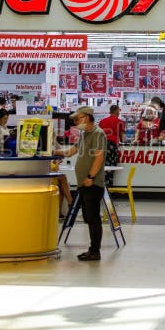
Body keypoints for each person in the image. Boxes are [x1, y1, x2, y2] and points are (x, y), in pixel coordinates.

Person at [55, 106, 106, 261]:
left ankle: (95, 251)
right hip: (83, 184)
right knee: (88, 218)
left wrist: (90, 176)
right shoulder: (85, 134)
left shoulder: (98, 134)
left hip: (92, 184)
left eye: (78, 118)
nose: (76, 121)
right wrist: (52, 151)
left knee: (93, 218)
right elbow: (71, 151)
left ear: (88, 117)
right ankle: (92, 249)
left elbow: (99, 157)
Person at [98, 104, 125, 187]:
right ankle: (109, 187)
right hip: (112, 145)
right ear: (117, 111)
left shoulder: (102, 121)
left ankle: (102, 187)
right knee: (111, 167)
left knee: (103, 166)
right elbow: (122, 138)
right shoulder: (120, 122)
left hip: (102, 145)